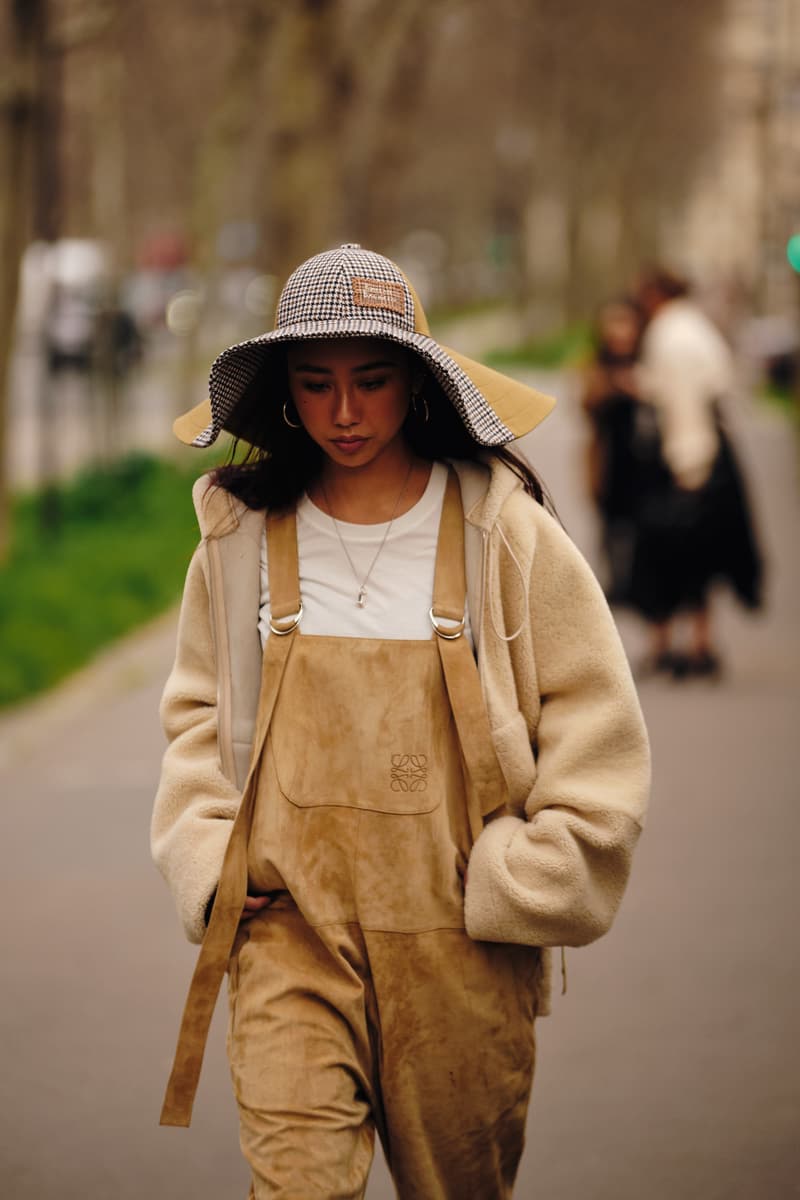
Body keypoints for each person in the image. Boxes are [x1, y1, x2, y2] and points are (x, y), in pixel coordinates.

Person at [151, 244, 651, 1199]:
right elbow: (197, 716)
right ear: (285, 394)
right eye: (318, 384)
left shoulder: (499, 528)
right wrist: (207, 857)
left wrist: (536, 877)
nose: (345, 412)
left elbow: (595, 716)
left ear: (417, 382)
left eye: (373, 382)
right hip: (287, 935)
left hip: (463, 947)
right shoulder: (239, 532)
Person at [630, 267, 763, 678]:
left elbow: (685, 403)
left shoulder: (671, 334)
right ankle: (696, 642)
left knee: (681, 553)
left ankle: (687, 646)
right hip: (707, 452)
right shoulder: (693, 326)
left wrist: (689, 463)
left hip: (690, 456)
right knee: (702, 553)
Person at [580, 297, 648, 604]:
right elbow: (585, 403)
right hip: (610, 462)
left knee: (643, 527)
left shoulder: (647, 360)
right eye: (614, 323)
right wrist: (616, 386)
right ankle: (615, 582)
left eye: (625, 323)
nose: (620, 331)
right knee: (610, 525)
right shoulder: (597, 365)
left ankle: (637, 582)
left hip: (644, 463)